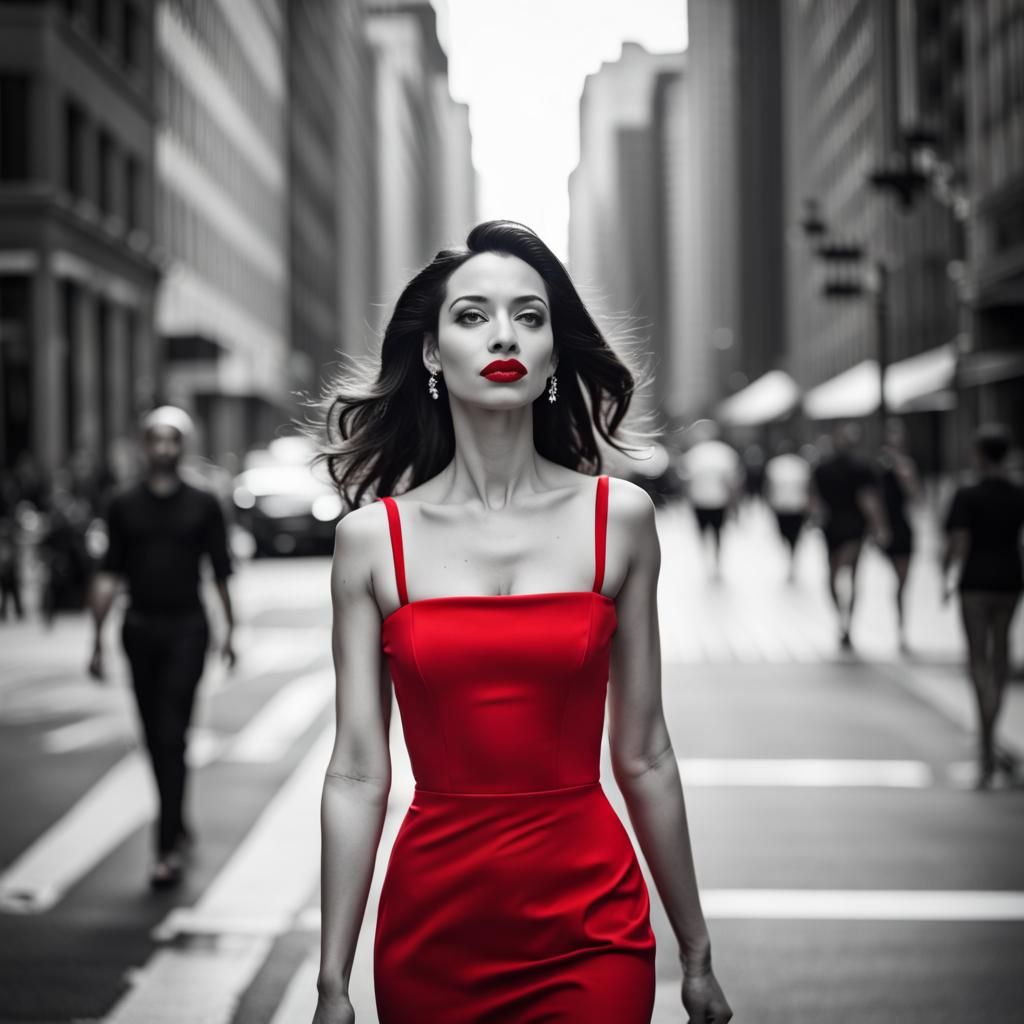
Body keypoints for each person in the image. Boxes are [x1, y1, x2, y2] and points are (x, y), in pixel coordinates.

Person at [311, 221, 732, 1024]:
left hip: (592, 924)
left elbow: (643, 754)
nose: (503, 334)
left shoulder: (621, 520)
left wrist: (698, 952)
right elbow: (359, 771)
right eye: (472, 316)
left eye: (529, 316)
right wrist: (333, 978)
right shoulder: (372, 542)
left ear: (553, 353)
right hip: (432, 927)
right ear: (432, 354)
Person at [87, 406, 236, 889]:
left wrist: (231, 632)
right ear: (144, 445)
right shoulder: (123, 504)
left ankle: (165, 846)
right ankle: (176, 818)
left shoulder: (204, 503)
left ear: (182, 446)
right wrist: (95, 640)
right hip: (139, 630)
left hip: (188, 630)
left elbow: (221, 573)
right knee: (154, 736)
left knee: (173, 733)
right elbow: (109, 574)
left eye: (172, 440)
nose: (163, 449)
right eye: (155, 440)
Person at [942, 423, 1024, 790]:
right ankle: (991, 740)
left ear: (978, 455)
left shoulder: (966, 495)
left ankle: (987, 747)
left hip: (974, 582)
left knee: (977, 658)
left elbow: (958, 542)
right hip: (1009, 580)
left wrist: (945, 576)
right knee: (1002, 655)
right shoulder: (1018, 494)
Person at [809, 421, 889, 651]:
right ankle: (847, 621)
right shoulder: (861, 468)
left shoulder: (823, 468)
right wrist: (879, 527)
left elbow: (814, 500)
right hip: (852, 528)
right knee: (852, 576)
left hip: (834, 528)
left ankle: (843, 619)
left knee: (834, 576)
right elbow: (869, 501)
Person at [679, 420, 743, 580]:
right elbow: (733, 483)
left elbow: (685, 481)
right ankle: (716, 561)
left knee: (703, 532)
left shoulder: (693, 453)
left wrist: (687, 501)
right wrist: (735, 505)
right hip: (718, 500)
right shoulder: (725, 453)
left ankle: (708, 560)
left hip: (700, 500)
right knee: (718, 532)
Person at [877, 418, 920, 650]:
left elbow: (915, 496)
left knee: (902, 581)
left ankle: (901, 627)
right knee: (896, 578)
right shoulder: (879, 467)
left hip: (902, 526)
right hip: (887, 526)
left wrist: (902, 470)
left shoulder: (906, 466)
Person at [763, 437, 812, 583]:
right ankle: (791, 555)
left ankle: (791, 556)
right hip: (791, 505)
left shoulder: (778, 465)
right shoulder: (797, 465)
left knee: (790, 534)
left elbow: (768, 487)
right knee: (790, 534)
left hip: (787, 505)